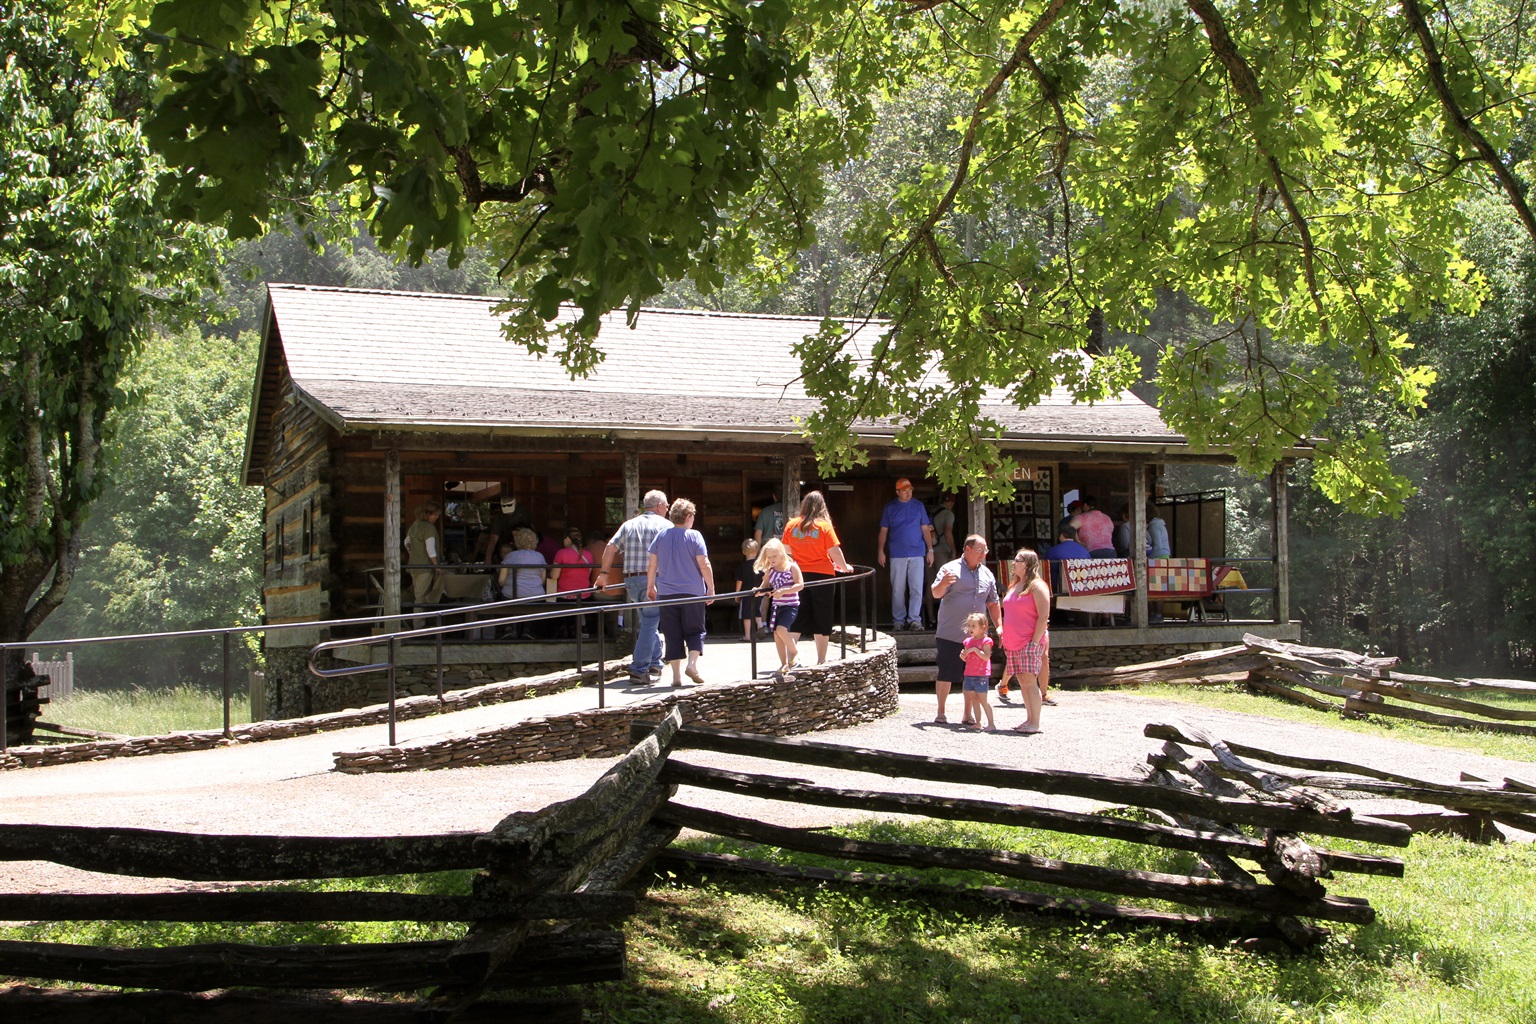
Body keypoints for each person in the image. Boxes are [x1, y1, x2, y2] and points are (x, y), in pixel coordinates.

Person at [595, 490, 671, 683]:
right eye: (667, 506)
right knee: (650, 622)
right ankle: (638, 669)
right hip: (653, 581)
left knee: (647, 620)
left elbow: (611, 547)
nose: (668, 509)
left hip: (631, 582)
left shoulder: (629, 524)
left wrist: (603, 575)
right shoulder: (666, 526)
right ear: (660, 506)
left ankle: (655, 662)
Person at [930, 534, 1002, 724]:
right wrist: (944, 583)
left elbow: (993, 603)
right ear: (967, 549)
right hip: (950, 632)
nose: (983, 554)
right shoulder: (949, 569)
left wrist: (999, 626)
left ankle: (967, 714)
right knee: (946, 673)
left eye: (985, 550)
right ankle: (941, 712)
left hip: (977, 638)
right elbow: (936, 593)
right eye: (980, 550)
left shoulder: (987, 574)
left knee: (972, 676)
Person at [646, 498, 714, 687]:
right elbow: (704, 564)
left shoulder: (661, 536)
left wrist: (650, 586)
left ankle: (676, 677)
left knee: (671, 633)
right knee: (695, 629)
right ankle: (692, 664)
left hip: (667, 594)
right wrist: (711, 588)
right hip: (692, 592)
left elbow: (652, 564)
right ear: (689, 516)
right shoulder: (694, 536)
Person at [781, 490, 853, 665]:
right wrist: (845, 567)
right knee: (823, 616)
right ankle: (821, 659)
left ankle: (790, 658)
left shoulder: (792, 525)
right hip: (823, 576)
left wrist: (800, 552)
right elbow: (834, 551)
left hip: (799, 575)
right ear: (822, 507)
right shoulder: (824, 526)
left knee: (797, 615)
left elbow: (785, 549)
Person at [1000, 550, 1050, 734]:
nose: (1014, 563)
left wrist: (1035, 642)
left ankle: (1035, 723)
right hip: (1014, 643)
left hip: (1029, 642)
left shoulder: (1037, 586)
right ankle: (1028, 719)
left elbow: (1044, 615)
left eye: (1018, 560)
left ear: (1028, 563)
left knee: (1029, 680)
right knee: (1022, 681)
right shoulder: (1016, 585)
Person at [878, 477, 935, 631]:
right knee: (898, 589)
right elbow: (884, 530)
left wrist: (930, 550)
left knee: (916, 588)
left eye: (910, 490)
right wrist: (880, 551)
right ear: (897, 492)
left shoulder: (918, 505)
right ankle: (898, 621)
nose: (908, 493)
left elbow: (925, 528)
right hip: (897, 553)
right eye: (904, 491)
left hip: (917, 552)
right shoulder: (890, 508)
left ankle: (915, 620)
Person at [754, 537, 804, 682]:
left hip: (790, 605)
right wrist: (758, 591)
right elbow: (765, 586)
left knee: (782, 630)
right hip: (777, 605)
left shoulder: (792, 567)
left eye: (774, 556)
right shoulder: (771, 571)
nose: (772, 560)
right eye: (769, 557)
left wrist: (785, 590)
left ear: (782, 553)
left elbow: (800, 585)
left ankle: (794, 653)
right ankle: (784, 663)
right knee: (776, 635)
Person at [404, 501, 446, 610]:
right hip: (425, 567)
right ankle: (419, 625)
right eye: (435, 514)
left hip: (414, 566)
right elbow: (430, 548)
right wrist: (436, 565)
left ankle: (419, 623)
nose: (437, 517)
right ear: (427, 514)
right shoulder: (429, 528)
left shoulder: (415, 525)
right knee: (420, 598)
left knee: (418, 594)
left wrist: (413, 554)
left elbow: (406, 542)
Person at [959, 612, 996, 732]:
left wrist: (975, 650)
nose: (970, 628)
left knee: (982, 699)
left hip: (981, 675)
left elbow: (986, 657)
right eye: (969, 625)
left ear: (983, 627)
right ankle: (978, 722)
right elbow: (965, 657)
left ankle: (991, 723)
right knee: (973, 698)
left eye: (973, 626)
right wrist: (963, 655)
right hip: (969, 673)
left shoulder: (986, 641)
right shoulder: (967, 641)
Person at [734, 538, 766, 639]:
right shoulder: (760, 566)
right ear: (757, 552)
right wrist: (765, 589)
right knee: (757, 610)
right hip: (758, 592)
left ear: (743, 552)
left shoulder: (742, 567)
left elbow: (739, 582)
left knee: (746, 613)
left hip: (746, 594)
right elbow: (765, 578)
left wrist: (737, 594)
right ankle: (760, 626)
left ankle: (747, 635)